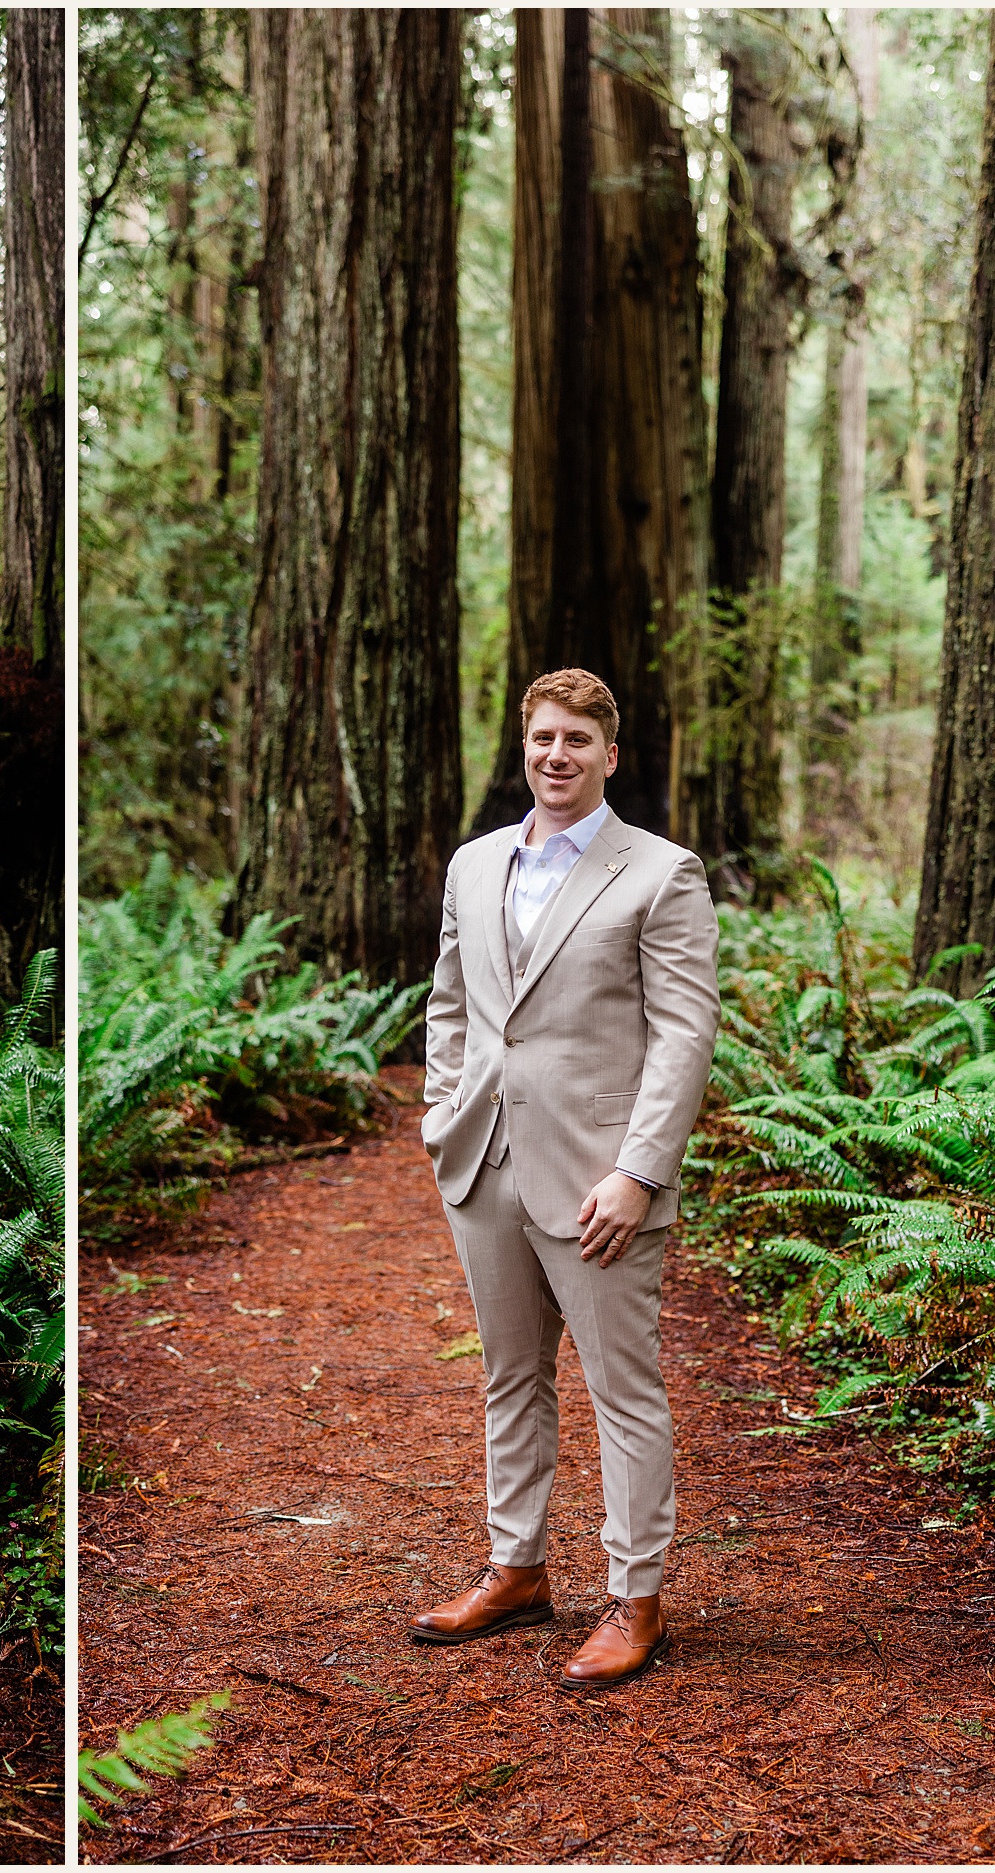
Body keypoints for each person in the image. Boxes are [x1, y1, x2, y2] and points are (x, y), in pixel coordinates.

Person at [406, 669, 719, 1689]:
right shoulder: (474, 864)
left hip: (599, 1181)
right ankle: (517, 1567)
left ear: (609, 754)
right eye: (542, 736)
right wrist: (441, 1111)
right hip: (482, 1162)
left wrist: (638, 1171)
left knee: (619, 1388)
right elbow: (451, 1000)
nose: (556, 755)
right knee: (508, 1375)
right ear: (523, 743)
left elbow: (683, 1034)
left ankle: (636, 1598)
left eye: (577, 740)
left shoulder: (660, 873)